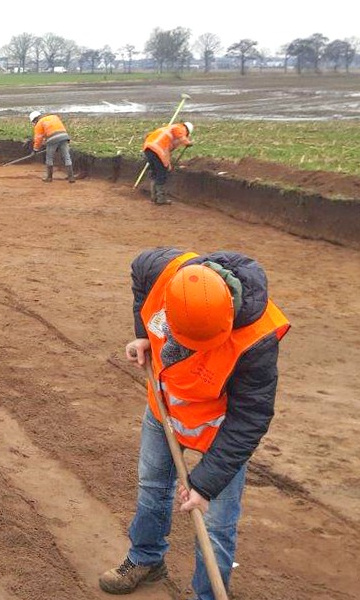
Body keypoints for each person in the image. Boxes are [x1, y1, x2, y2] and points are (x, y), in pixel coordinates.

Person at [100, 247, 290, 599]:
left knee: (216, 524)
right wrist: (143, 331)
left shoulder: (257, 341)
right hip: (165, 405)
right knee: (152, 487)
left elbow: (251, 418)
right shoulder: (166, 272)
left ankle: (208, 595)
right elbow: (140, 274)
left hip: (218, 429)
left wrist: (206, 483)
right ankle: (146, 558)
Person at [142, 122, 193, 205]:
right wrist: (187, 142)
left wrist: (167, 163)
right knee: (161, 173)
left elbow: (167, 150)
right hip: (157, 149)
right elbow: (179, 134)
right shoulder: (179, 128)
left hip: (148, 148)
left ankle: (154, 197)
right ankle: (160, 198)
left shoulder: (166, 130)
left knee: (155, 172)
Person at [29, 110, 75, 183]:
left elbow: (38, 138)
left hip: (53, 139)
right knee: (67, 156)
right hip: (64, 137)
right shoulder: (54, 117)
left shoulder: (39, 124)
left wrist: (35, 150)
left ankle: (49, 178)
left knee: (49, 157)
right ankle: (71, 177)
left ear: (35, 119)